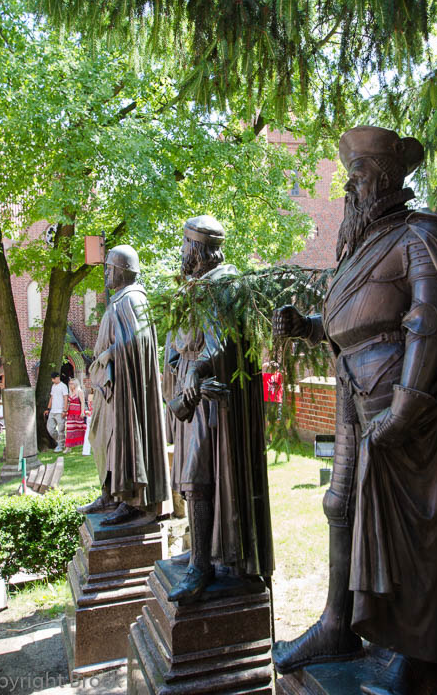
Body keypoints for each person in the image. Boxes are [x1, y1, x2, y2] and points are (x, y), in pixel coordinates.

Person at [272, 126, 437, 694]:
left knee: (412, 528)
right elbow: (358, 323)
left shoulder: (419, 236)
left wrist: (406, 408)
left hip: (403, 413)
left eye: (360, 174)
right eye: (350, 175)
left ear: (390, 178)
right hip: (354, 401)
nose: (350, 185)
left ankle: (417, 652)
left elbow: (431, 322)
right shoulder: (363, 245)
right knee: (339, 504)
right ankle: (336, 625)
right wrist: (308, 326)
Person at [164, 215, 274, 603]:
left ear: (200, 250)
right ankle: (201, 557)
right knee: (194, 481)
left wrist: (200, 367)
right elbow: (178, 348)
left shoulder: (226, 284)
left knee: (201, 478)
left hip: (217, 406)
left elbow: (226, 344)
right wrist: (182, 369)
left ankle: (203, 566)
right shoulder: (192, 290)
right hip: (194, 402)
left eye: (185, 246)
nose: (181, 253)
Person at [77, 244, 170, 525]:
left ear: (122, 270)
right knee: (99, 438)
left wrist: (110, 353)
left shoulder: (133, 300)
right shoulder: (120, 299)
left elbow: (138, 342)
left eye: (110, 268)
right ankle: (109, 493)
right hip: (110, 388)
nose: (106, 273)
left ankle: (131, 501)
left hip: (126, 390)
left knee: (123, 442)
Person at [44, 371, 68, 453]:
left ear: (57, 378)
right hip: (52, 411)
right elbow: (51, 398)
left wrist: (65, 410)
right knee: (50, 428)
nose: (53, 381)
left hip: (60, 411)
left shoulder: (63, 386)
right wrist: (48, 408)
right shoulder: (53, 386)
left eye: (54, 379)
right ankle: (61, 441)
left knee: (61, 429)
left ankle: (60, 446)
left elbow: (65, 398)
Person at [64, 378, 86, 451]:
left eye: (72, 383)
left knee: (81, 429)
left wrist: (82, 412)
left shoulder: (80, 391)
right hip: (70, 414)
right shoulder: (70, 392)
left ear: (76, 384)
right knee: (69, 430)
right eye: (69, 384)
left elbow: (82, 402)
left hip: (78, 413)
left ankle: (85, 444)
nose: (70, 385)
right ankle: (68, 447)